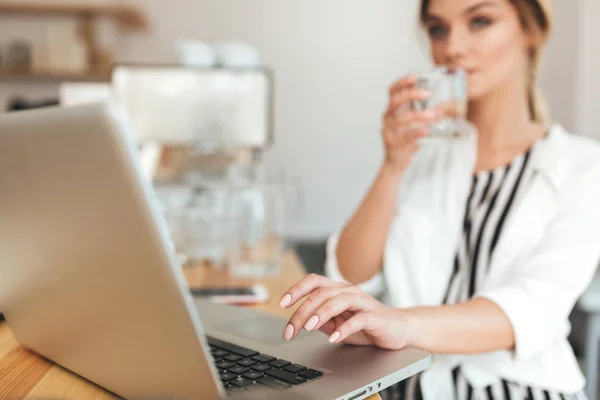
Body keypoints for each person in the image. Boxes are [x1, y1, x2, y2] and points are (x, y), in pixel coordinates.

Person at [279, 0, 600, 399]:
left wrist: (400, 323)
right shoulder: (425, 154)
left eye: (480, 21)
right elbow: (351, 274)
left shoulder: (584, 169)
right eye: (438, 29)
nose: (453, 47)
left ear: (531, 32)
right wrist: (393, 164)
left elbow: (530, 310)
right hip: (402, 384)